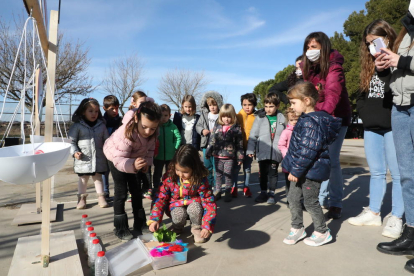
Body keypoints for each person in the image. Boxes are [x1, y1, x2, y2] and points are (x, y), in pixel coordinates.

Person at [348, 19, 403, 239]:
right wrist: (364, 113)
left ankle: (397, 217)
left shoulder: (399, 62)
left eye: (376, 41)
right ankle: (373, 212)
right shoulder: (368, 67)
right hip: (371, 128)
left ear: (388, 38)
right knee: (377, 172)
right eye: (368, 43)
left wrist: (389, 66)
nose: (372, 47)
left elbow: (400, 91)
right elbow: (361, 95)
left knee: (398, 174)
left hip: (392, 126)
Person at [374, 9, 414, 273]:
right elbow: (399, 74)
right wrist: (384, 69)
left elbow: (405, 64)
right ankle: (411, 234)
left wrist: (400, 61)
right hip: (401, 107)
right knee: (408, 176)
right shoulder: (405, 33)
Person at [282, 82, 342, 246]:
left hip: (310, 171)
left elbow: (308, 150)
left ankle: (322, 232)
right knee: (293, 198)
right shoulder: (305, 119)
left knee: (310, 201)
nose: (292, 106)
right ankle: (297, 228)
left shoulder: (311, 122)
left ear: (306, 100)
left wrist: (295, 170)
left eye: (294, 102)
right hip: (299, 169)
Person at [301, 31, 352, 219]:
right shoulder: (308, 69)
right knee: (317, 158)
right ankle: (320, 197)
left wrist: (320, 115)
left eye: (313, 47)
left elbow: (332, 94)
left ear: (324, 48)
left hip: (336, 118)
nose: (309, 51)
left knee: (332, 160)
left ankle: (335, 203)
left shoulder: (334, 67)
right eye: (307, 47)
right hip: (318, 118)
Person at [104, 101, 162, 240]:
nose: (148, 132)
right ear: (136, 118)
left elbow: (149, 150)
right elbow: (119, 159)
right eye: (144, 127)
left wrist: (147, 163)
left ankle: (140, 224)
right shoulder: (126, 133)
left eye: (152, 129)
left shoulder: (153, 134)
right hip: (115, 157)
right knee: (121, 192)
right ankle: (120, 227)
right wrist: (133, 164)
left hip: (133, 160)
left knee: (136, 191)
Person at [148, 145, 217, 243]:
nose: (180, 174)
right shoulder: (170, 177)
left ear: (194, 168)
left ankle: (196, 228)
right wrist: (154, 219)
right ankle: (177, 227)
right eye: (177, 170)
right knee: (178, 213)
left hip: (194, 206)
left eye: (185, 172)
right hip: (176, 206)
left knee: (195, 208)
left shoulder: (200, 179)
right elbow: (160, 198)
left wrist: (207, 226)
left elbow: (208, 201)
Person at [68, 98, 109, 209]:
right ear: (83, 112)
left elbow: (107, 141)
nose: (94, 114)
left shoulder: (102, 125)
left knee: (98, 177)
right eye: (90, 111)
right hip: (83, 158)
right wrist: (75, 152)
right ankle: (81, 198)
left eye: (96, 111)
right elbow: (71, 141)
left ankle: (101, 197)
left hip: (99, 157)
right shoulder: (77, 126)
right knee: (83, 178)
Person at [246, 92, 286, 204]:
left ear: (277, 106)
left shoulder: (282, 117)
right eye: (266, 106)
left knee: (273, 173)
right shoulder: (259, 118)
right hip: (262, 152)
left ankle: (272, 193)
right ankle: (263, 192)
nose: (268, 109)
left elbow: (287, 133)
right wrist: (250, 149)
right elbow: (253, 135)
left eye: (271, 106)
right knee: (263, 173)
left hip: (276, 152)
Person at [206, 104, 243, 202]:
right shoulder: (217, 127)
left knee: (228, 175)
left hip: (229, 157)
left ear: (233, 116)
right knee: (218, 175)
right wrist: (208, 151)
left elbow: (239, 144)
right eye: (224, 116)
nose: (226, 119)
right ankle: (217, 191)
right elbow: (212, 140)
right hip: (217, 156)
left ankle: (227, 192)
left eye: (229, 116)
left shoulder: (236, 128)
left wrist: (240, 157)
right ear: (221, 116)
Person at [129, 91, 155, 199]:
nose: (143, 104)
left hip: (144, 150)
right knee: (134, 174)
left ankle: (146, 189)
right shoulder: (131, 114)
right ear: (134, 103)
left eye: (145, 102)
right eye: (141, 102)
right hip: (133, 151)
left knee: (145, 171)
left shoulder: (147, 113)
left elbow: (152, 102)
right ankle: (131, 192)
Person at [196, 91, 223, 191]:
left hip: (217, 146)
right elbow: (198, 126)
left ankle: (217, 187)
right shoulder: (204, 114)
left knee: (217, 168)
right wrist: (202, 131)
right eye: (210, 105)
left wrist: (217, 131)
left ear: (219, 104)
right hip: (206, 144)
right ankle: (209, 186)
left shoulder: (221, 115)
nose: (212, 107)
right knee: (207, 167)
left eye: (214, 104)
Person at [153, 104, 181, 193]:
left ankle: (169, 187)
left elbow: (178, 138)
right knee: (157, 173)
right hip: (158, 156)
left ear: (170, 115)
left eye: (166, 115)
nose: (163, 118)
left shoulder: (173, 126)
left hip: (170, 156)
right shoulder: (156, 126)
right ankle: (156, 188)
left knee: (170, 173)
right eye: (161, 115)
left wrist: (175, 147)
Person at [233, 93, 257, 198]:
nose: (247, 107)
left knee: (247, 169)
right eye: (245, 104)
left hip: (249, 148)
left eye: (250, 104)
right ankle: (234, 188)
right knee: (236, 169)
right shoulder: (237, 116)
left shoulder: (256, 117)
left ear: (254, 105)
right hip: (238, 148)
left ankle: (246, 187)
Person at [102, 95, 122, 200]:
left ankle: (119, 192)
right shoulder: (101, 121)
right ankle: (105, 192)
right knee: (104, 172)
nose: (115, 111)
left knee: (117, 172)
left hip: (116, 152)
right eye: (112, 109)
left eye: (117, 108)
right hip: (104, 151)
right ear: (104, 108)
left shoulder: (120, 121)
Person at [278, 108, 298, 206]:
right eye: (291, 120)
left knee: (299, 183)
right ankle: (289, 199)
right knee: (289, 182)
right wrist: (287, 155)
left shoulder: (302, 131)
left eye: (296, 119)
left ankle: (298, 201)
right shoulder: (286, 132)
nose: (294, 122)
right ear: (288, 120)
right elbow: (281, 145)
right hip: (288, 161)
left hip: (299, 161)